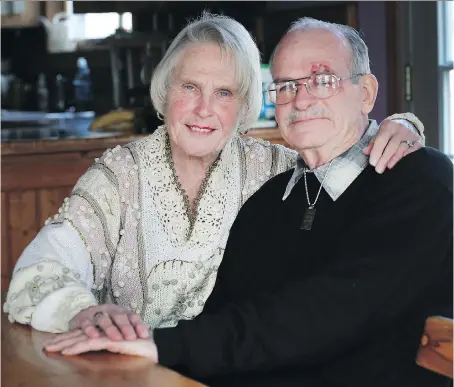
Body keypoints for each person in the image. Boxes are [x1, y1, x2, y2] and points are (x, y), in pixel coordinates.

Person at [5, 14, 424, 343]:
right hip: (131, 372)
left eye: (224, 93)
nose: (204, 109)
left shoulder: (278, 170)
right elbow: (40, 270)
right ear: (165, 92)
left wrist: (403, 126)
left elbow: (346, 151)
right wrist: (86, 312)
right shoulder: (119, 175)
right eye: (189, 87)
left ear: (245, 105)